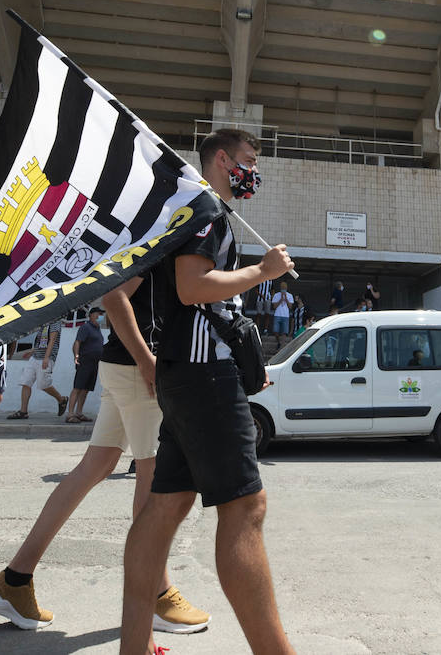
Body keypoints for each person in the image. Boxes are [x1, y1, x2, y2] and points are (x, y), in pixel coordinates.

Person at [119, 128, 295, 654]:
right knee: (245, 508)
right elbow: (192, 287)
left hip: (184, 373)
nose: (252, 171)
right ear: (222, 159)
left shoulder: (186, 208)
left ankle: (133, 646)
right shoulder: (205, 209)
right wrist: (261, 271)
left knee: (166, 505)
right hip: (204, 372)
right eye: (246, 160)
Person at [0, 278, 211, 637]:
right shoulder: (158, 229)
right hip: (139, 368)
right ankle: (156, 593)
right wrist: (147, 360)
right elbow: (115, 296)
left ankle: (14, 580)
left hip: (125, 365)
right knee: (155, 479)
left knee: (95, 466)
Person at [9, 320, 68, 419]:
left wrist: (46, 357)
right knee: (26, 382)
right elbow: (41, 341)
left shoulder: (55, 322)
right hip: (35, 357)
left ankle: (62, 399)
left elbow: (52, 340)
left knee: (43, 385)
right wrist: (32, 351)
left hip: (46, 358)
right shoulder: (44, 322)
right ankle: (23, 412)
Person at [67, 307, 105, 423]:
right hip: (85, 361)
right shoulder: (86, 327)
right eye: (99, 314)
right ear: (92, 315)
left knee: (86, 389)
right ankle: (70, 414)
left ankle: (79, 413)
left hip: (94, 363)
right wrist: (76, 356)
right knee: (78, 387)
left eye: (102, 315)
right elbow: (77, 342)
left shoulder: (97, 329)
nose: (101, 317)